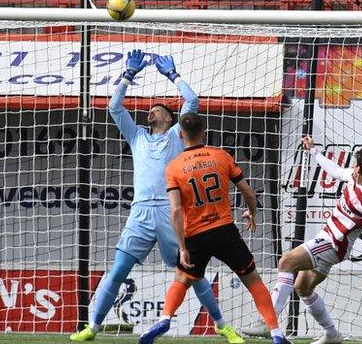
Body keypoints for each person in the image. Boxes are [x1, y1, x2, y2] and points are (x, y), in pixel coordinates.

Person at [70, 50, 242, 344]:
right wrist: (127, 75)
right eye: (150, 109)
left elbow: (193, 102)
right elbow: (114, 108)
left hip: (170, 212)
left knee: (193, 272)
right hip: (140, 213)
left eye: (157, 109)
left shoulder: (176, 135)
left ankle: (222, 325)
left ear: (170, 118)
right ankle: (92, 327)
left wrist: (172, 76)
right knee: (117, 271)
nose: (151, 111)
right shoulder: (137, 136)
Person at [244, 136, 362, 344]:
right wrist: (313, 151)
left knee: (286, 261)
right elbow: (336, 171)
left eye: (354, 164)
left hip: (335, 244)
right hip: (327, 238)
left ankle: (268, 322)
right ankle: (332, 334)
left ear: (358, 169)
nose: (352, 167)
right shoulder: (355, 178)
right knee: (303, 287)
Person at [165, 112, 291, 344]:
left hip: (195, 235)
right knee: (253, 281)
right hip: (224, 230)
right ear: (204, 131)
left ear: (181, 133)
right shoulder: (221, 156)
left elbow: (175, 211)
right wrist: (252, 213)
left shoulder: (173, 167)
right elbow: (249, 193)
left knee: (182, 279)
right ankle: (275, 332)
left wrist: (182, 247)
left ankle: (164, 319)